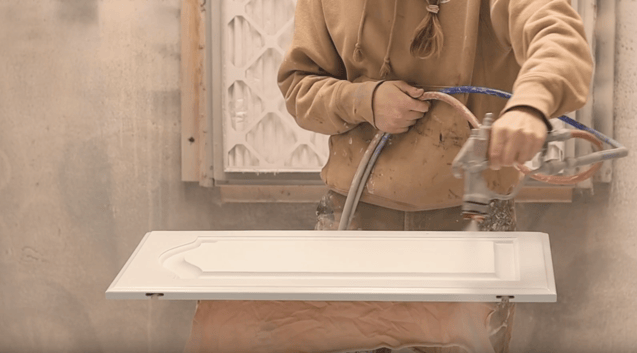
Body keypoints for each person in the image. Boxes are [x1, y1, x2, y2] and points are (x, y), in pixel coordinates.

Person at [184, 1, 592, 352]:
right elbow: (298, 86)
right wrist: (364, 100)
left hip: (472, 223)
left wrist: (532, 104)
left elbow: (558, 36)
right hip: (357, 217)